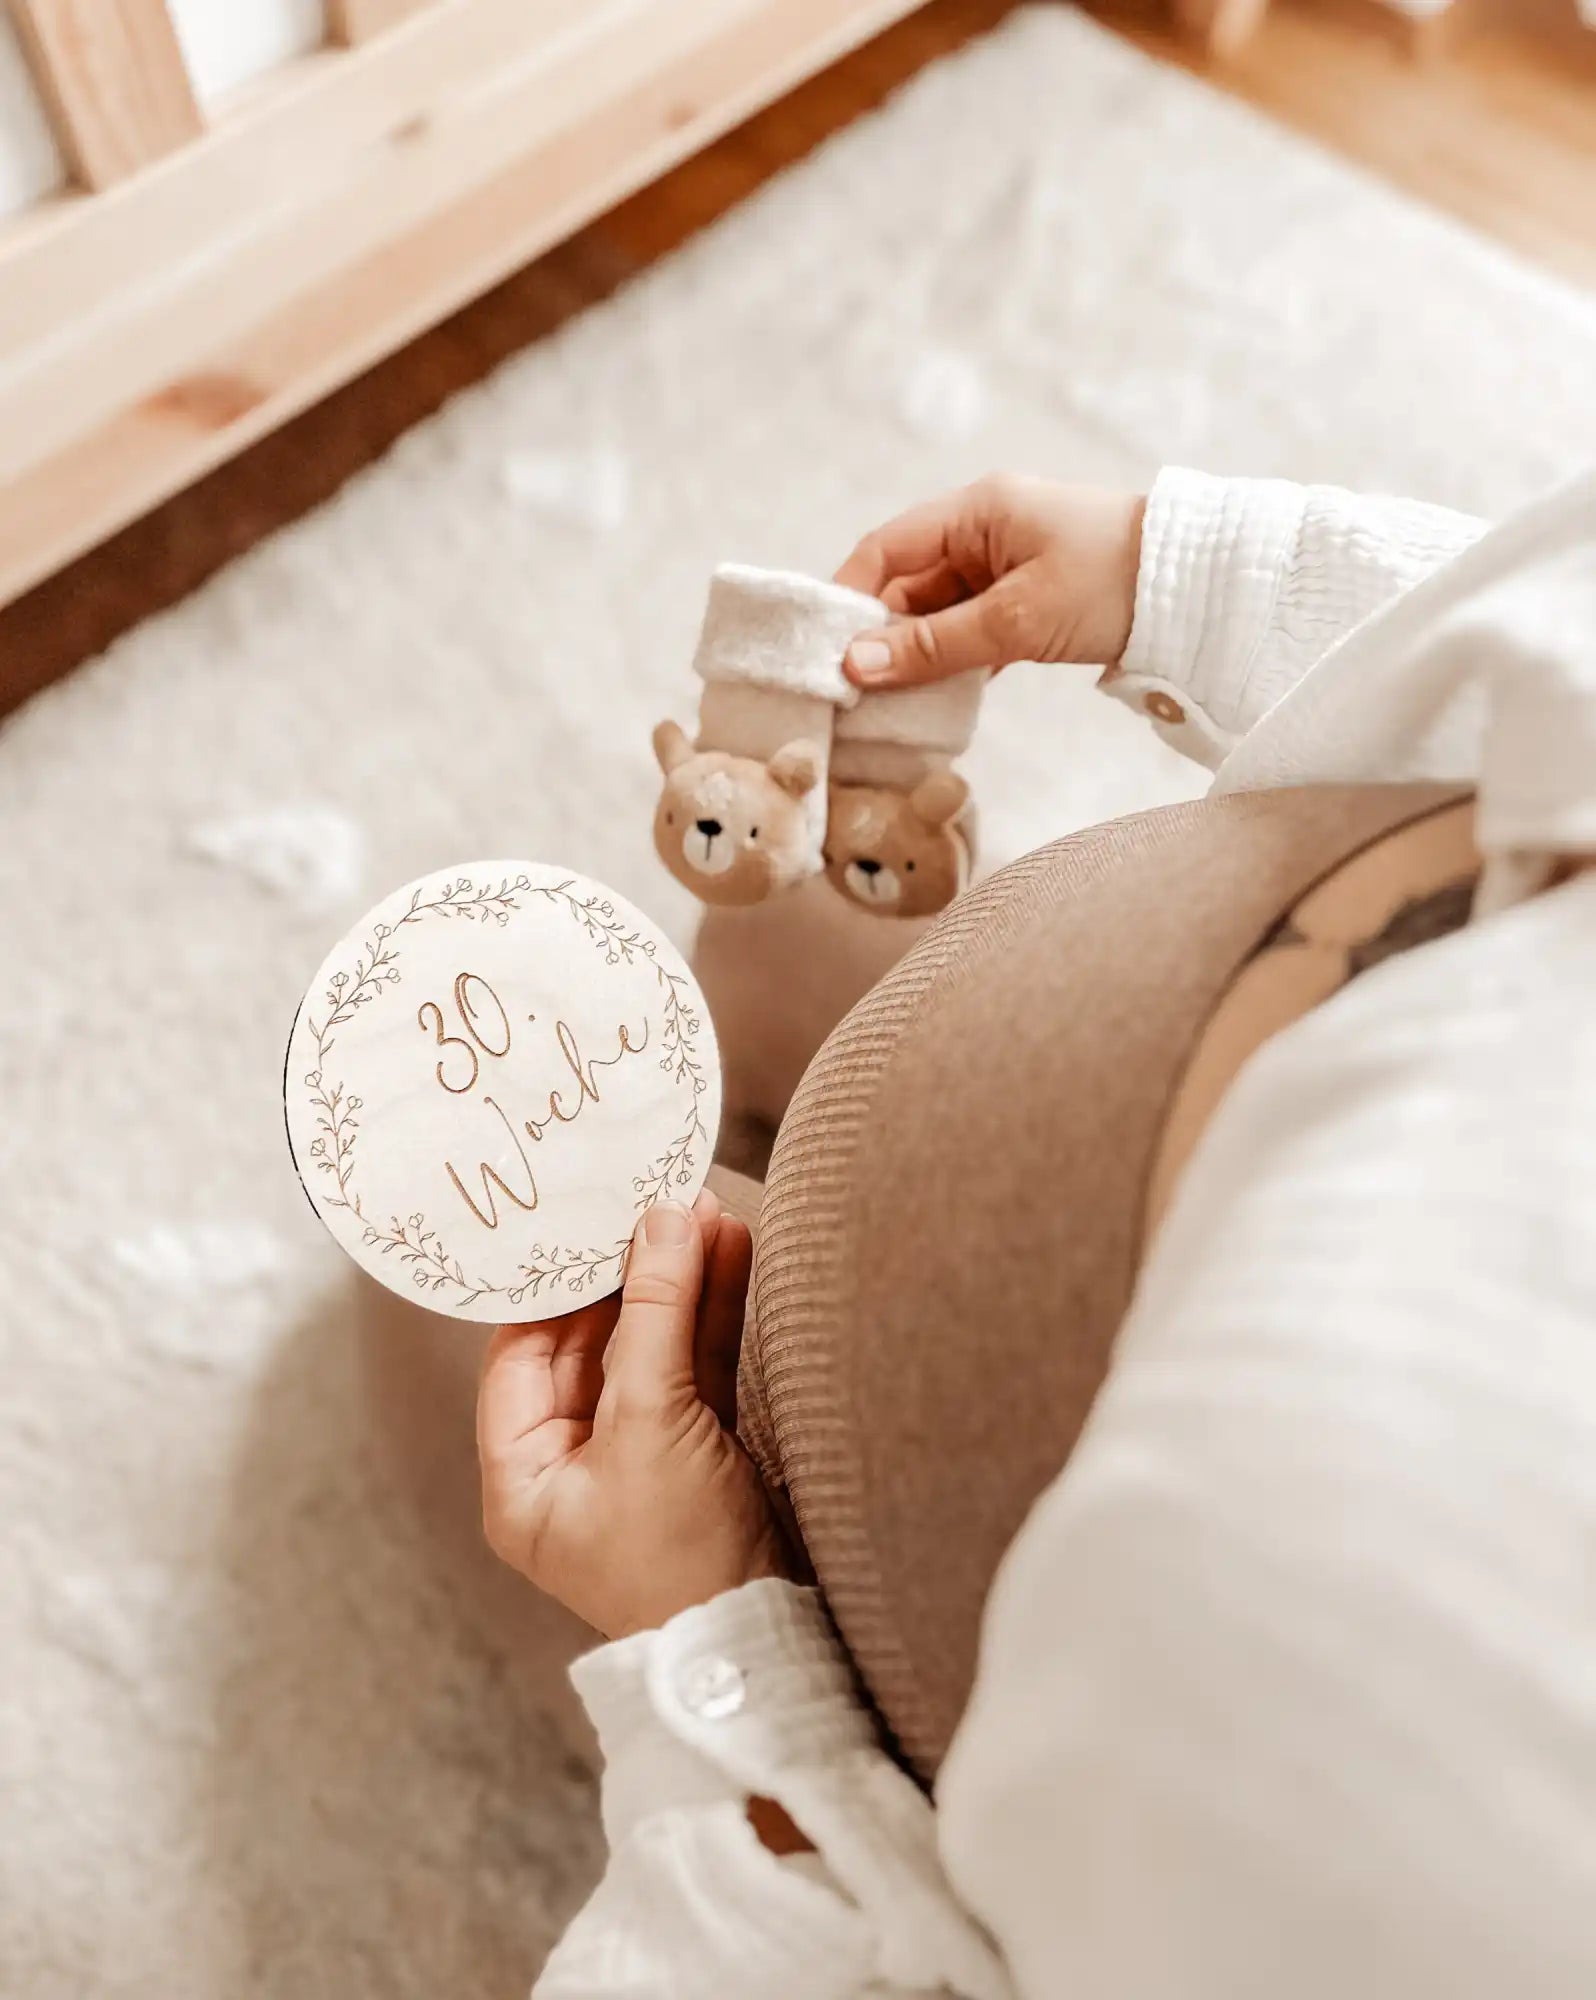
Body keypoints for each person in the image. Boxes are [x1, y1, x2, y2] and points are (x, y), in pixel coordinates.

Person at [477, 467, 1596, 1997]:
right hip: (1004, 1070)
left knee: (472, 1282)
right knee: (793, 925)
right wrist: (1190, 581)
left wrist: (700, 1643)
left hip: (824, 1563)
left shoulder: (1446, 1822)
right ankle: (790, 1088)